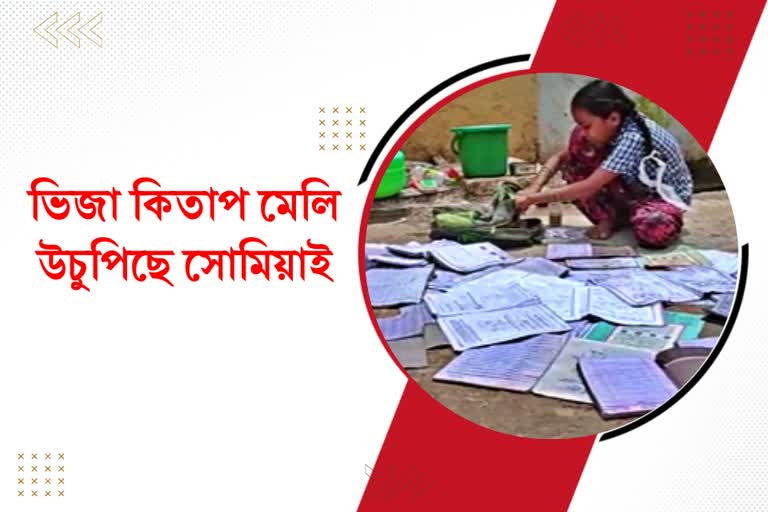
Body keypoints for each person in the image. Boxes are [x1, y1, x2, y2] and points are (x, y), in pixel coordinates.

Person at [516, 80, 694, 248]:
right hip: (629, 189)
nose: (584, 132)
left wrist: (533, 199)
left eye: (587, 126)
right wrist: (534, 187)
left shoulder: (633, 137)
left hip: (658, 197)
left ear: (613, 119)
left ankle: (640, 217)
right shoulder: (607, 130)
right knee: (578, 145)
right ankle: (608, 218)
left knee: (653, 230)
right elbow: (560, 158)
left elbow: (589, 186)